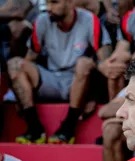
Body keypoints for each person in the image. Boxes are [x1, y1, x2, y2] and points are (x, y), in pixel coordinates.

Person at [8, 0, 112, 144]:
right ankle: (35, 129)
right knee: (14, 64)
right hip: (51, 79)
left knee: (83, 63)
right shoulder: (42, 21)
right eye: (47, 3)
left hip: (79, 80)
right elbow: (29, 59)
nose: (48, 8)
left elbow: (106, 63)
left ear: (70, 3)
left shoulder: (89, 20)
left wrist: (94, 95)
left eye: (54, 2)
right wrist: (19, 94)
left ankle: (68, 128)